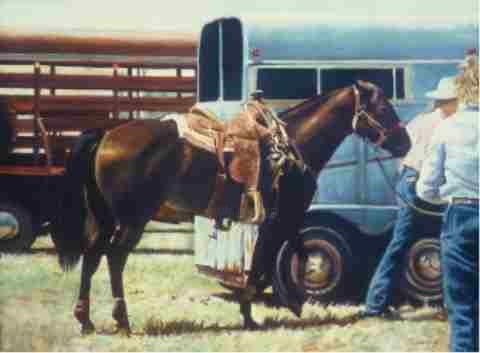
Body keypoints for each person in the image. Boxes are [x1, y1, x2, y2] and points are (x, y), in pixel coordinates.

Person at [359, 76, 459, 318]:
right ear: (451, 102)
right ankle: (452, 305)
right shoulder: (449, 125)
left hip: (408, 179)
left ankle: (375, 304)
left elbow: (401, 153)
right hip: (428, 182)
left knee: (399, 243)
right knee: (451, 241)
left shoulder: (420, 120)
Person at [417, 53, 479, 352]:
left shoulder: (446, 128)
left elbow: (426, 186)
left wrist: (444, 198)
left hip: (460, 212)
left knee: (462, 303)